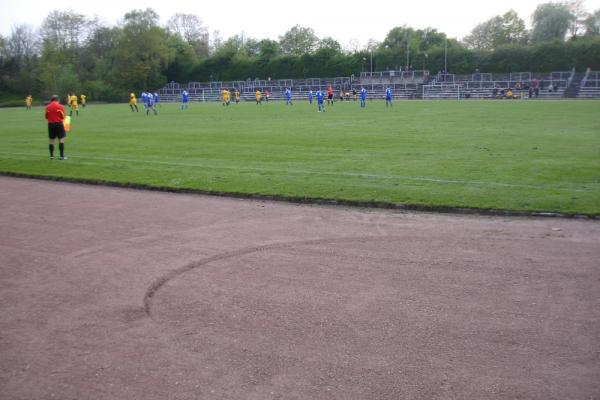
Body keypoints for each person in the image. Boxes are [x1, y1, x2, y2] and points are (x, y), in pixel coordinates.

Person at [45, 95, 67, 160]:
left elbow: (46, 116)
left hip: (50, 124)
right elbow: (63, 116)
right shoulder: (60, 106)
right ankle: (61, 156)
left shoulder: (47, 107)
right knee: (61, 139)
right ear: (58, 100)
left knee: (51, 140)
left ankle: (51, 156)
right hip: (59, 124)